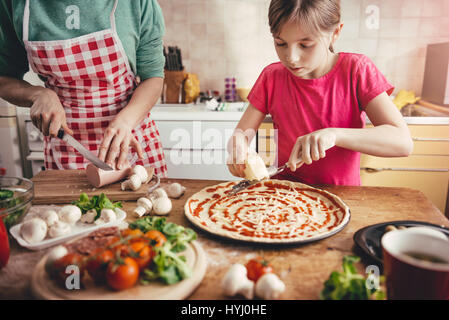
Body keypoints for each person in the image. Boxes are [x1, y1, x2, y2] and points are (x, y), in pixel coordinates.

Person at [227, 0, 413, 186]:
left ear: (335, 33)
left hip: (343, 194)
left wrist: (335, 135)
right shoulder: (271, 77)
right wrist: (238, 151)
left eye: (305, 45)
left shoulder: (357, 70)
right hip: (284, 194)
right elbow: (240, 137)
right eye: (280, 43)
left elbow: (402, 142)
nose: (291, 57)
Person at [0, 0, 167, 176]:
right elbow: (4, 78)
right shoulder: (14, 3)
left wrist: (126, 121)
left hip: (130, 141)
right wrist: (38, 95)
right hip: (66, 148)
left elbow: (153, 77)